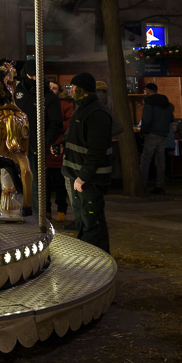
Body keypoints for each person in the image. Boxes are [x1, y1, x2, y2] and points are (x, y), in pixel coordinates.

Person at [63, 72, 113, 253]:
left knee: (92, 220)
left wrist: (82, 177)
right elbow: (79, 140)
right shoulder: (82, 110)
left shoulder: (96, 114)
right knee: (85, 219)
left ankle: (93, 257)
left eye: (73, 87)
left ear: (82, 89)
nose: (71, 90)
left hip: (90, 179)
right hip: (81, 176)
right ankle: (93, 256)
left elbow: (96, 151)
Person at [138, 83, 173, 195]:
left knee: (145, 160)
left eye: (145, 90)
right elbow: (171, 117)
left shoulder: (149, 101)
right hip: (163, 134)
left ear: (149, 90)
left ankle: (142, 185)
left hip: (151, 133)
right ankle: (160, 185)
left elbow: (146, 118)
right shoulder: (165, 101)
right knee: (161, 161)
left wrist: (143, 131)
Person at [42, 82, 70, 222]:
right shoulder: (42, 103)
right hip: (45, 149)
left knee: (60, 183)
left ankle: (61, 210)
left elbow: (70, 123)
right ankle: (46, 210)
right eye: (50, 87)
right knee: (44, 184)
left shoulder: (64, 105)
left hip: (58, 147)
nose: (52, 90)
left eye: (55, 88)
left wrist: (54, 123)